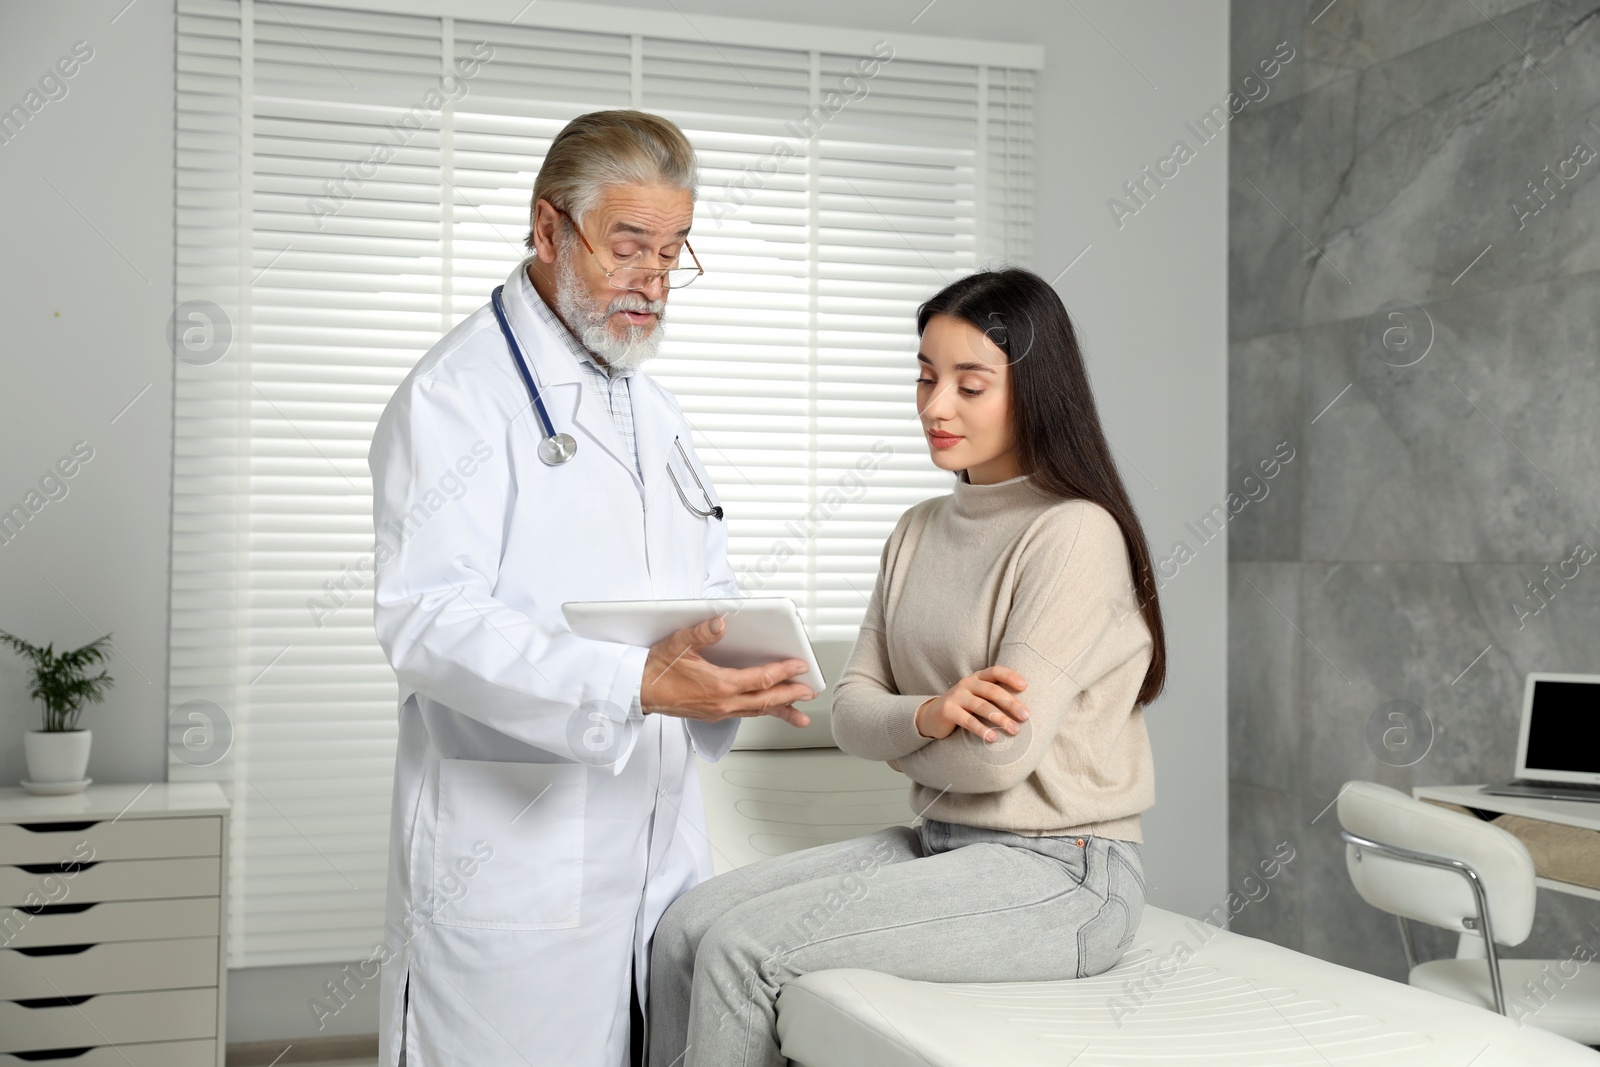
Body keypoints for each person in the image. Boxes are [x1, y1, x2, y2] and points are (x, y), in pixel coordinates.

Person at [367, 110, 816, 1067]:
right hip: (513, 852)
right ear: (547, 230)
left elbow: (698, 587)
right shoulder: (458, 395)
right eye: (628, 247)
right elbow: (428, 619)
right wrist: (632, 685)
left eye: (673, 252)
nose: (653, 281)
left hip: (651, 849)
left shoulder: (650, 404)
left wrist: (742, 666)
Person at [648, 268, 1168, 1067]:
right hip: (943, 843)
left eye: (969, 384)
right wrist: (931, 714)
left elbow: (998, 755)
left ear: (1034, 390)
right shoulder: (918, 529)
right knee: (685, 927)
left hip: (1067, 873)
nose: (935, 406)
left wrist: (909, 720)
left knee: (744, 950)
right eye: (926, 378)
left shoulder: (1074, 534)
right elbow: (849, 710)